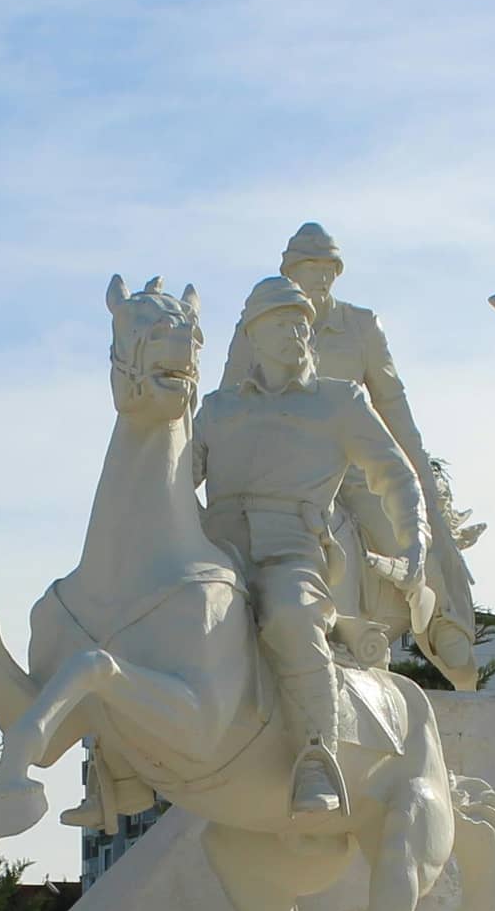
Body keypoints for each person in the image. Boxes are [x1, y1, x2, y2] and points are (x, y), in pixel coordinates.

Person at [193, 276, 427, 817]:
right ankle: (123, 768)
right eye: (280, 320)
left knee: (292, 621)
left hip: (289, 555)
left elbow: (398, 477)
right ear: (253, 333)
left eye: (301, 319)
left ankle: (317, 759)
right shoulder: (216, 409)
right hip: (212, 554)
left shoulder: (339, 402)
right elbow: (176, 483)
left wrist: (415, 543)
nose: (296, 328)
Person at [276, 223, 480, 685]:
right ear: (291, 273)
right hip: (284, 471)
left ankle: (444, 621)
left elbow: (391, 401)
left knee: (402, 532)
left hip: (353, 466)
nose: (321, 278)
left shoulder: (361, 326)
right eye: (311, 268)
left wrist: (417, 466)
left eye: (328, 268)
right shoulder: (262, 327)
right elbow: (235, 396)